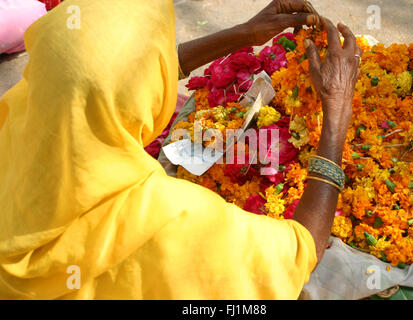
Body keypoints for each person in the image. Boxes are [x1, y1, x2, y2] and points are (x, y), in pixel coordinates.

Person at [0, 0, 361, 299]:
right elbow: (299, 251)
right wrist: (337, 111)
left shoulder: (19, 113)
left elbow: (105, 79)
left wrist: (243, 34)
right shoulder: (167, 220)